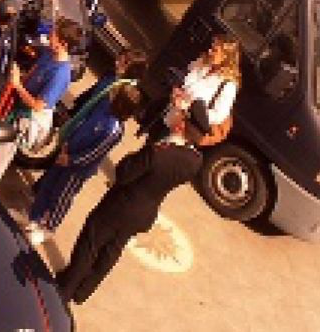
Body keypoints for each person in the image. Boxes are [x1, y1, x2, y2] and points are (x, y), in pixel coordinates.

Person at [56, 99, 224, 304]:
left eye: (181, 114)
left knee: (90, 244)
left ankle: (66, 288)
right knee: (111, 251)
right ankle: (83, 291)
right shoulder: (194, 160)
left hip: (121, 205)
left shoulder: (158, 152)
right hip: (144, 213)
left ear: (181, 125)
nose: (175, 114)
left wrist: (136, 155)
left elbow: (123, 173)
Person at [23, 84, 143, 246]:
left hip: (77, 170)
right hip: (66, 154)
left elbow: (94, 153)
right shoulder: (104, 107)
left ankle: (48, 228)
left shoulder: (113, 130)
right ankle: (33, 217)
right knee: (48, 185)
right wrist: (67, 143)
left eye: (116, 95)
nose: (111, 95)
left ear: (120, 105)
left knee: (60, 198)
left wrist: (71, 160)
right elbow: (84, 124)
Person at [0, 18, 82, 188]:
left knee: (0, 153)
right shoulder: (49, 55)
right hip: (19, 104)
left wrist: (17, 85)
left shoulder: (60, 74)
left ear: (62, 43)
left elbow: (38, 105)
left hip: (27, 120)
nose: (49, 36)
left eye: (53, 35)